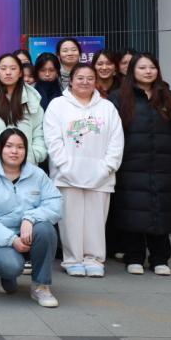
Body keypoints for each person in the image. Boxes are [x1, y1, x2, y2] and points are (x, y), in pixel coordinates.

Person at [110, 53, 171, 275]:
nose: (148, 71)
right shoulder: (119, 97)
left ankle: (160, 258)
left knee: (161, 210)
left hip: (164, 164)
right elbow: (111, 130)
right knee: (132, 210)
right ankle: (134, 256)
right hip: (130, 164)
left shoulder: (169, 97)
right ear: (132, 70)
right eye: (142, 67)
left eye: (152, 67)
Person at [44, 63, 124, 277]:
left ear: (95, 81)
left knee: (96, 221)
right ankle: (73, 259)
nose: (85, 82)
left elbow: (116, 141)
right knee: (70, 221)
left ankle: (94, 259)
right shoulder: (57, 105)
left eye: (90, 78)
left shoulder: (107, 107)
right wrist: (66, 166)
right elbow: (53, 140)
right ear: (71, 80)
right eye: (80, 78)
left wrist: (106, 167)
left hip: (101, 176)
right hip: (66, 175)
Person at [0, 128, 62, 308]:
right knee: (12, 267)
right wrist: (12, 240)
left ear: (26, 151)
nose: (14, 151)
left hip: (29, 232)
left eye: (20, 147)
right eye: (9, 146)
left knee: (46, 229)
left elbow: (55, 203)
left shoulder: (37, 175)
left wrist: (30, 218)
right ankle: (6, 278)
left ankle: (41, 286)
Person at [0, 54, 47, 171]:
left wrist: (36, 154)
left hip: (26, 167)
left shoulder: (32, 100)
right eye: (3, 68)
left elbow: (39, 132)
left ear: (20, 73)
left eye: (13, 68)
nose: (8, 72)